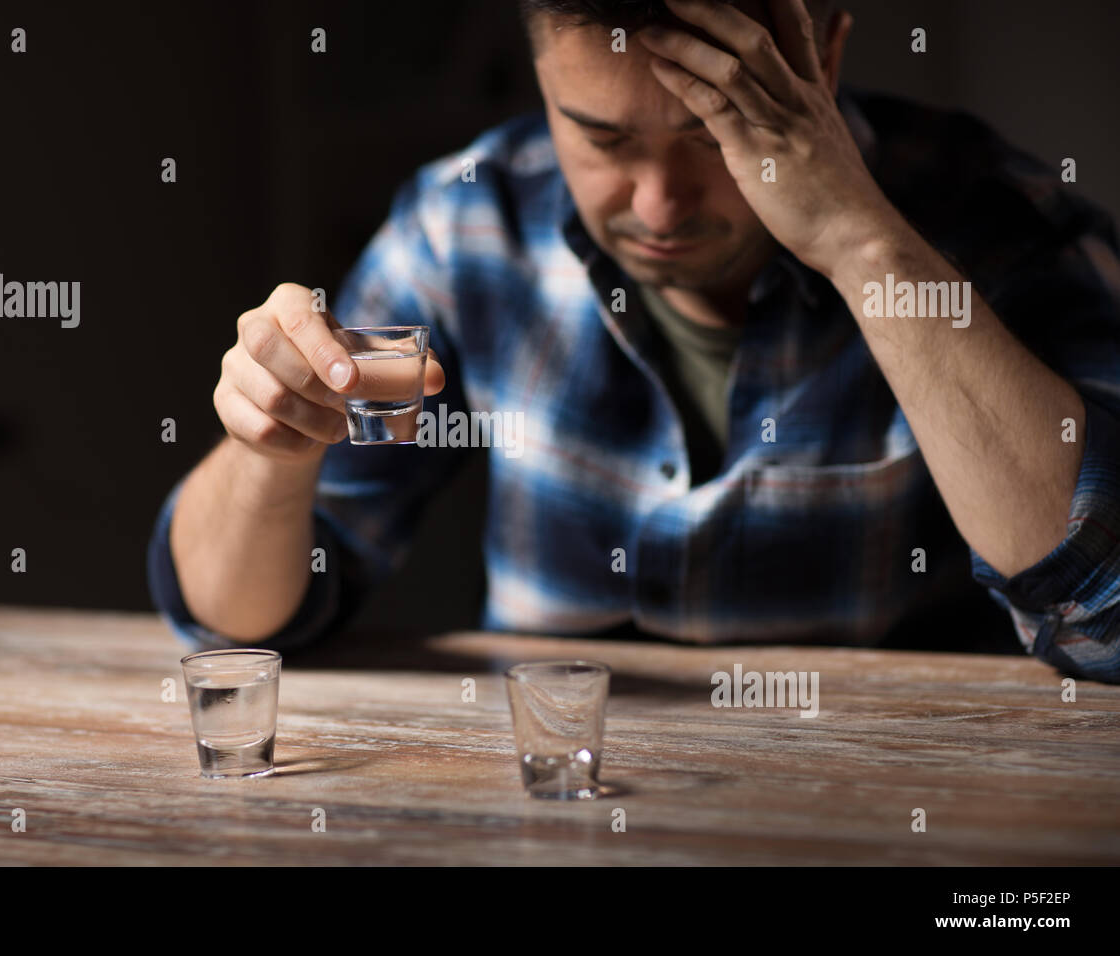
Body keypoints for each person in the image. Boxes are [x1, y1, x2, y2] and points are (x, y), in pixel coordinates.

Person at [147, 0, 1120, 681]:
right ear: (539, 75)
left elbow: (1106, 623)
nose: (658, 206)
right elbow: (236, 624)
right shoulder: (465, 225)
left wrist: (862, 244)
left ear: (821, 62)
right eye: (603, 140)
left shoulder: (1009, 222)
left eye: (712, 134)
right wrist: (268, 451)